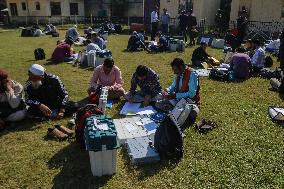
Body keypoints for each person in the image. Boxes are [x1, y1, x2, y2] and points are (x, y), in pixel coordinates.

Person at [156, 58, 200, 128]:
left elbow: (192, 94)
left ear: (182, 67)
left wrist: (176, 95)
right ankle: (174, 111)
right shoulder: (179, 73)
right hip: (178, 100)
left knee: (192, 114)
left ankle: (174, 112)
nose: (174, 72)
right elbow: (173, 86)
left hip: (190, 103)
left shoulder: (192, 74)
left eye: (175, 70)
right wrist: (167, 90)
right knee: (158, 103)